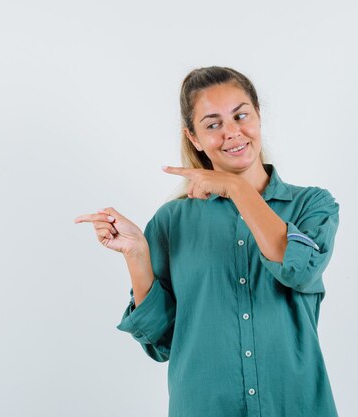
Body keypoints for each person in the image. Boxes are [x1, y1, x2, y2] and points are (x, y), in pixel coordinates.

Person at [74, 66, 340, 417]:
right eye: (213, 124)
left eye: (240, 116)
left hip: (295, 404)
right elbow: (163, 342)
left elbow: (297, 269)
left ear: (258, 116)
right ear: (195, 138)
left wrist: (236, 186)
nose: (232, 132)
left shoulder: (312, 205)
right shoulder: (172, 221)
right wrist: (137, 255)